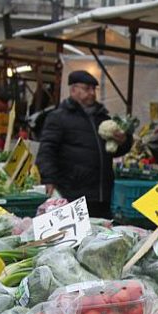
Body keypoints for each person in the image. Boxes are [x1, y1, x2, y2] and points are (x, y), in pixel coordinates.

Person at [36, 70, 130, 219]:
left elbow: (113, 151)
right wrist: (48, 179)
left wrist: (124, 141)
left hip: (102, 194)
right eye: (87, 89)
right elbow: (47, 150)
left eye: (94, 89)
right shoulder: (58, 117)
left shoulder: (102, 118)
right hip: (73, 192)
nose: (92, 93)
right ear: (73, 90)